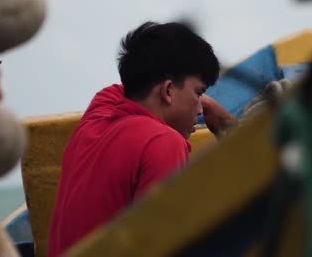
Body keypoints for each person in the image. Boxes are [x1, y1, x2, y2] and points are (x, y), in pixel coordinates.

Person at [48, 21, 236, 256]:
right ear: (167, 90)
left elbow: (123, 87)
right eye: (198, 93)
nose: (200, 110)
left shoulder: (97, 117)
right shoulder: (164, 142)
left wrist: (204, 101)